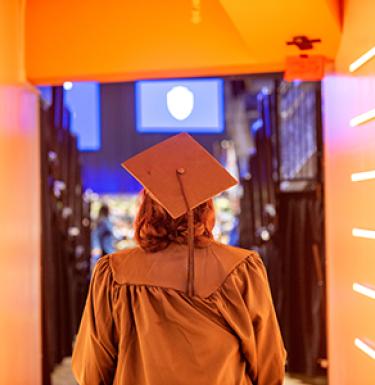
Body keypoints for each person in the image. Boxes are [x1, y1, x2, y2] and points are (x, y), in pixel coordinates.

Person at [72, 133, 286, 385]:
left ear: (145, 209)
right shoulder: (242, 269)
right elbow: (269, 365)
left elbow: (91, 371)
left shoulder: (114, 273)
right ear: (206, 209)